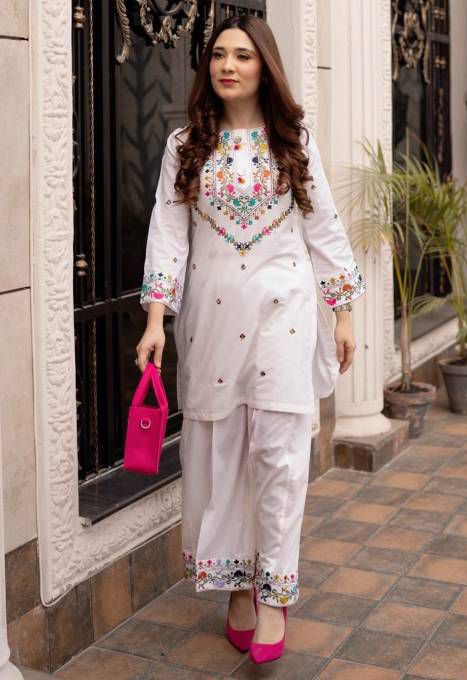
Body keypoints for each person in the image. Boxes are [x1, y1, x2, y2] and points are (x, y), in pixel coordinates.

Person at [135, 14, 367, 665]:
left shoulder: (294, 141)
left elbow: (324, 229)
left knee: (279, 456)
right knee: (223, 457)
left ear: (265, 67)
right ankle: (237, 588)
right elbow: (168, 235)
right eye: (218, 55)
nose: (228, 65)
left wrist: (343, 313)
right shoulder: (186, 146)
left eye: (242, 55)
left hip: (284, 317)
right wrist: (155, 320)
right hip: (210, 324)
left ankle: (273, 599)